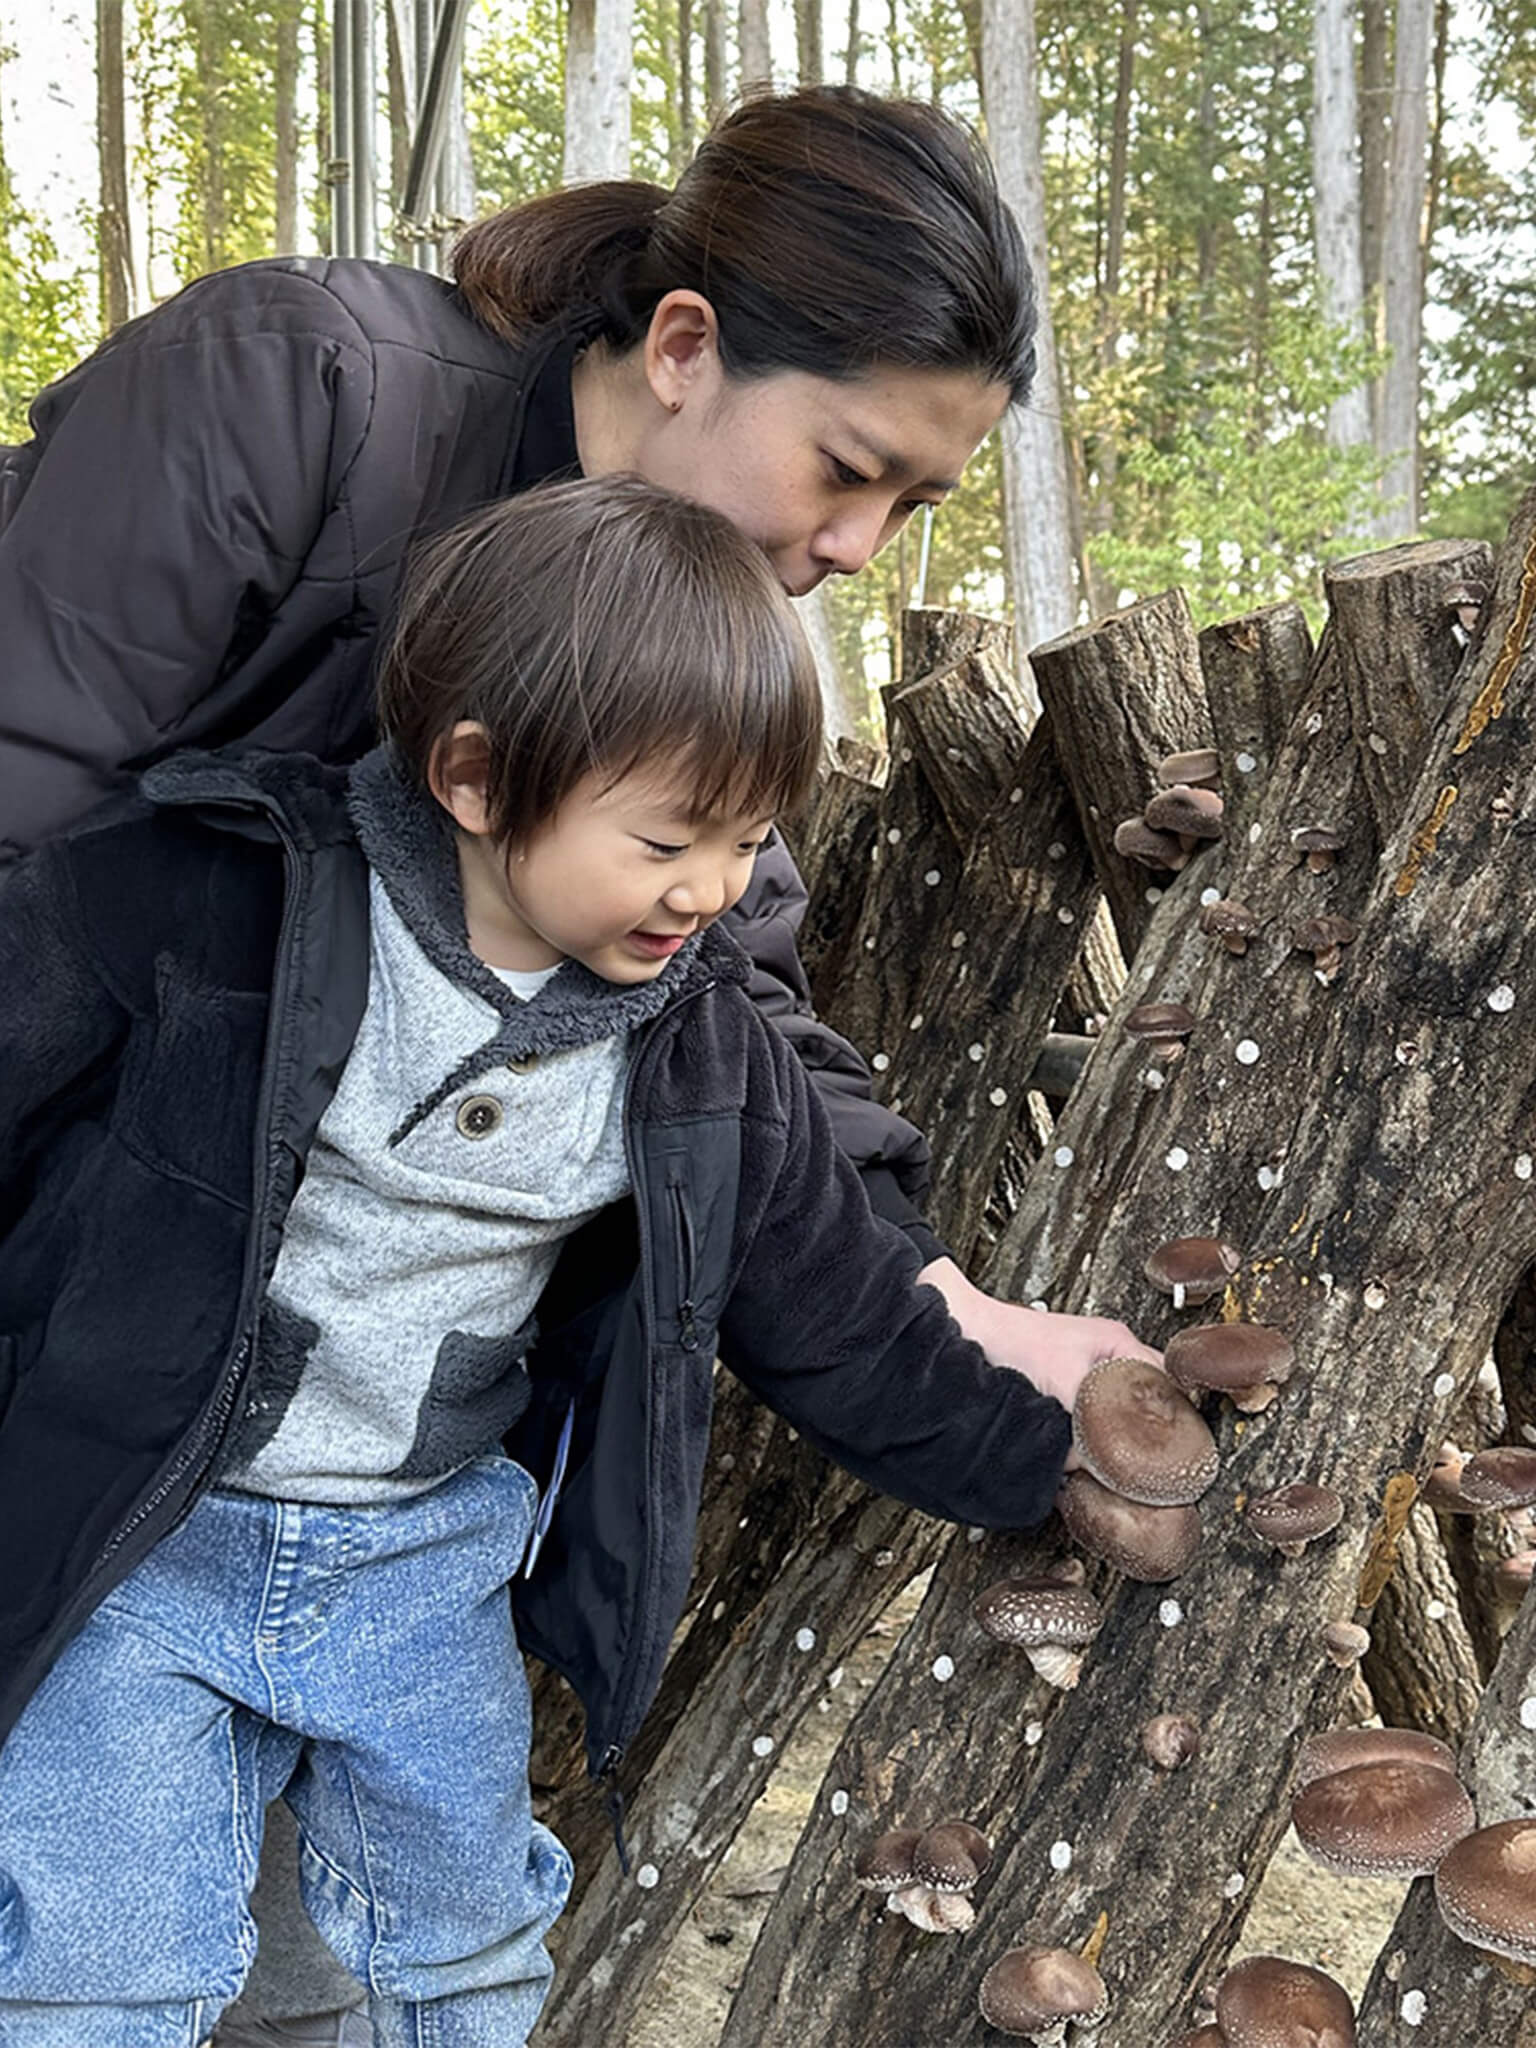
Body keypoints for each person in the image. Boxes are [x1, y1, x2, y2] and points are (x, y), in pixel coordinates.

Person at [0, 87, 1157, 2044]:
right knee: (96, 1948)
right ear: (689, 344)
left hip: (377, 1488)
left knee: (348, 1968)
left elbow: (757, 1050)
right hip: (80, 1373)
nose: (860, 549)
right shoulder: (293, 401)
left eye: (917, 510)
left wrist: (950, 1312)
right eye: (850, 469)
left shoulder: (683, 700)